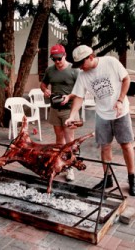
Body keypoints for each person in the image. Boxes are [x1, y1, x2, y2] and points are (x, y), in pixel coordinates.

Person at [65, 45, 135, 196]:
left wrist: (120, 100)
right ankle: (108, 179)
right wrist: (72, 115)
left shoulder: (110, 62)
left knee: (126, 145)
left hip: (121, 112)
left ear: (90, 57)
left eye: (82, 64)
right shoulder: (82, 75)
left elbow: (126, 79)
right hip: (102, 115)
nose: (80, 68)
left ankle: (132, 178)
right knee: (105, 147)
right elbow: (79, 96)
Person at [40, 44, 80, 182]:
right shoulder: (50, 70)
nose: (57, 61)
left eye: (59, 58)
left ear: (65, 55)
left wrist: (68, 97)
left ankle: (70, 169)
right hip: (55, 109)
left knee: (69, 141)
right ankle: (60, 164)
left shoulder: (74, 70)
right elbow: (43, 84)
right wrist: (44, 90)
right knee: (59, 139)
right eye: (54, 59)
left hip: (69, 110)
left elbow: (81, 91)